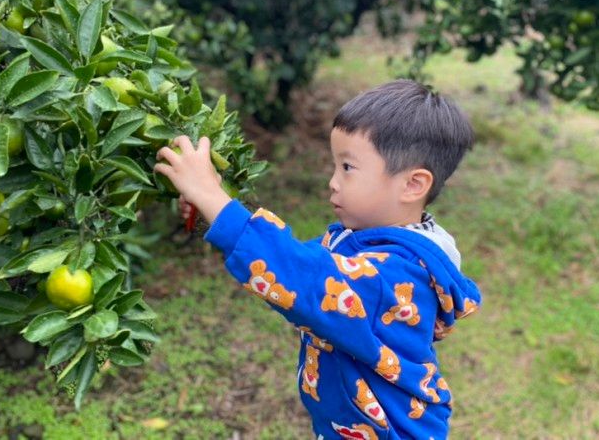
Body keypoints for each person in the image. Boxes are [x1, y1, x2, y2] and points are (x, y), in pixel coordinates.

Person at [154, 80, 481, 440]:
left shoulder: (395, 273)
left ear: (412, 185)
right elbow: (290, 262)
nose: (333, 182)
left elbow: (304, 279)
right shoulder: (360, 243)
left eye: (348, 168)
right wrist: (209, 212)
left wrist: (214, 197)